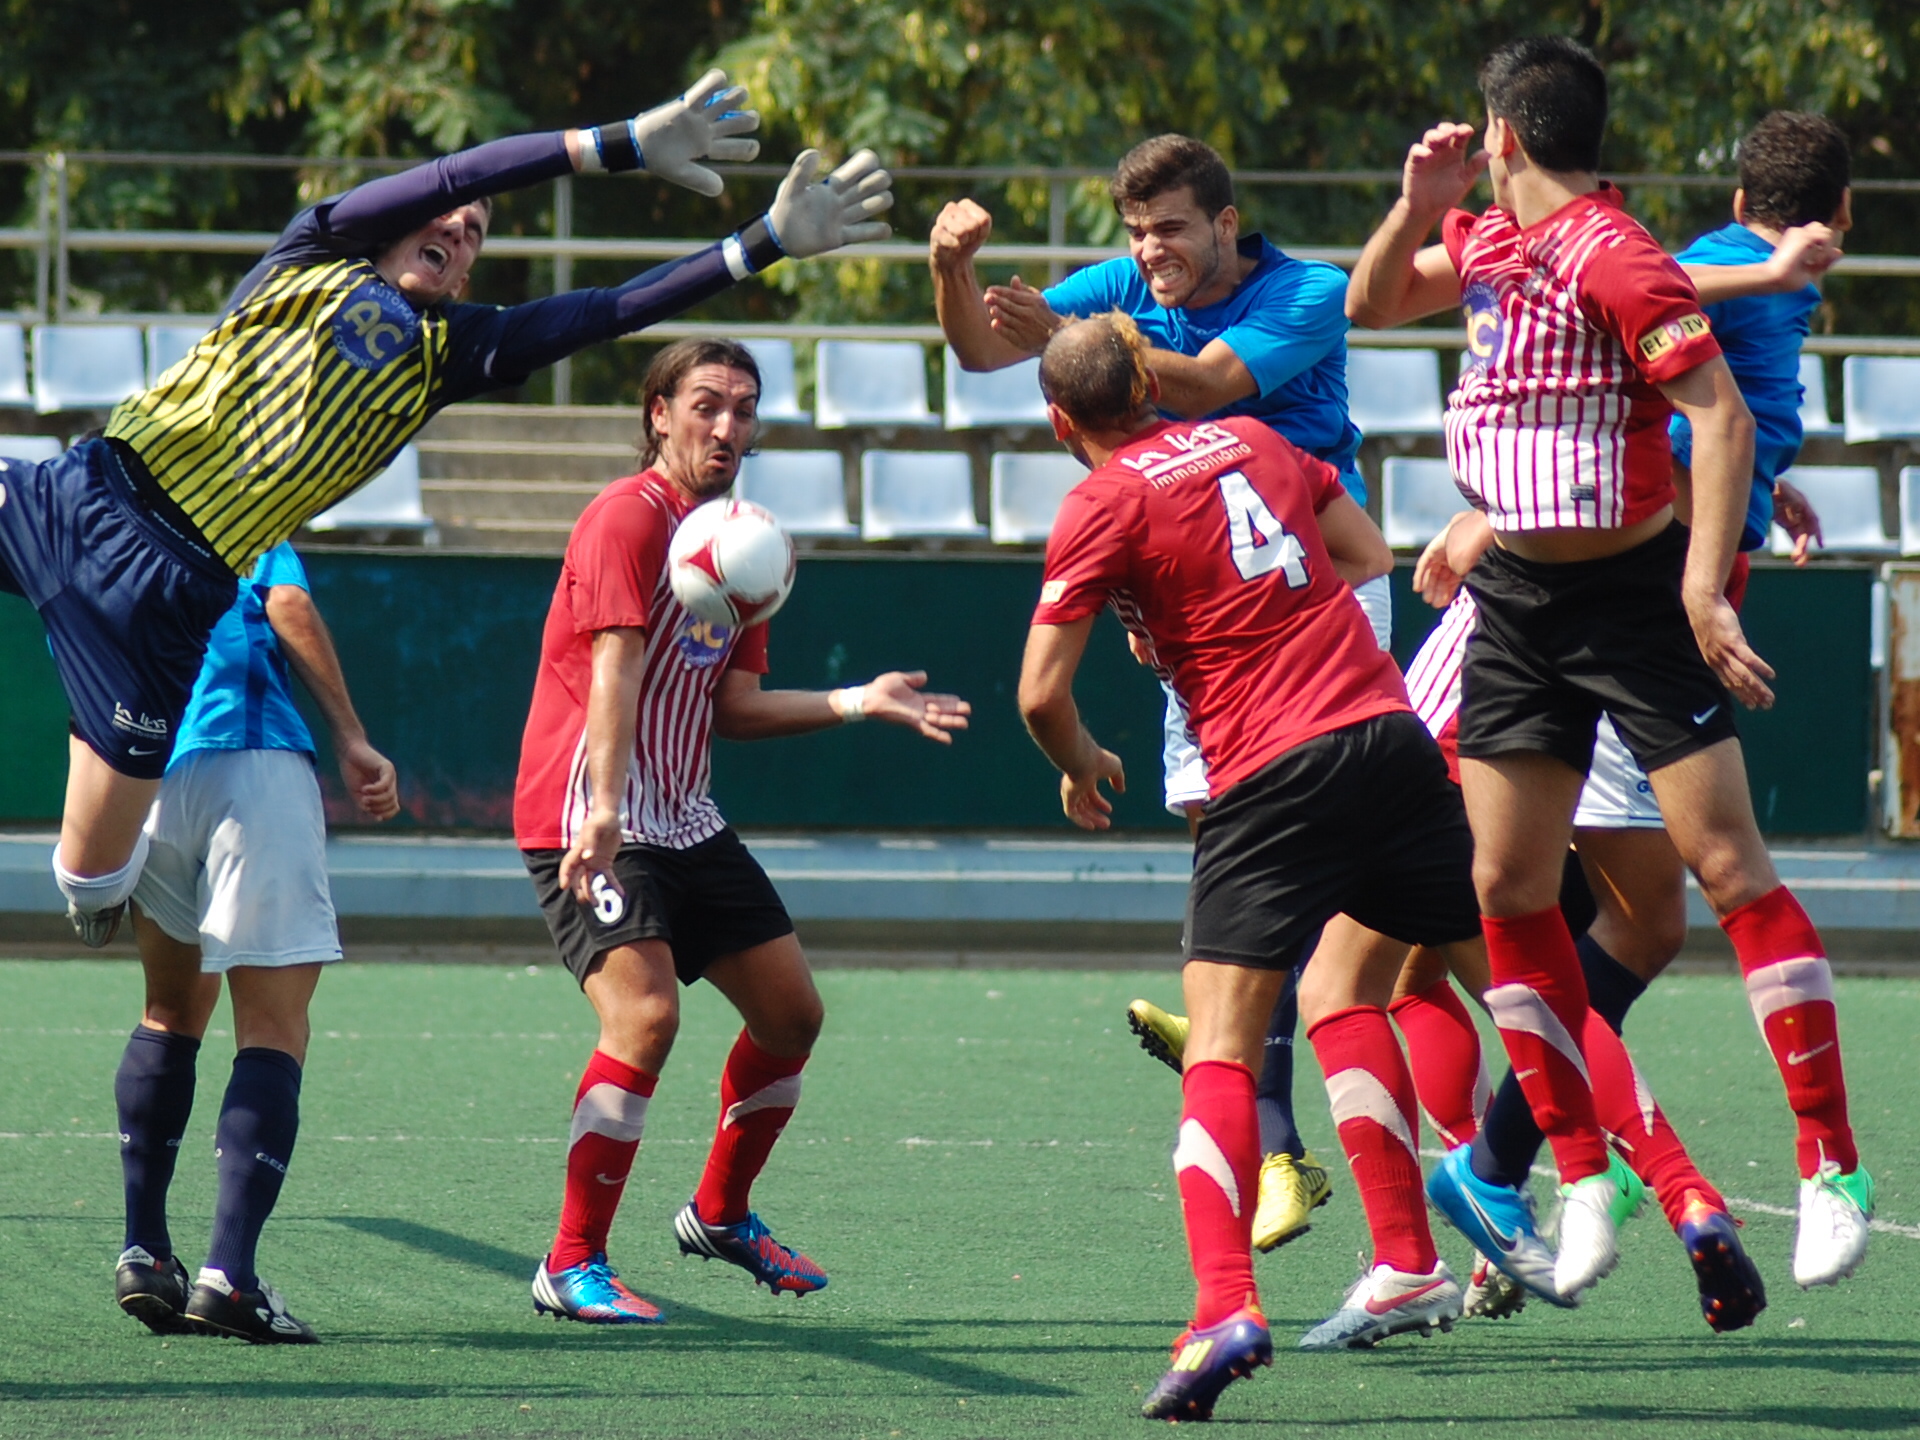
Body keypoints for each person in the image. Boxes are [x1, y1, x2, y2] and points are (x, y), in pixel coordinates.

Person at [0, 68, 893, 958]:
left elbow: (610, 310)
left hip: (161, 601)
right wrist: (616, 145)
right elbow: (463, 171)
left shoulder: (454, 354)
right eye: (448, 222)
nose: (458, 231)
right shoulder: (317, 248)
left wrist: (763, 241)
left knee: (89, 874)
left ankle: (101, 886)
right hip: (72, 493)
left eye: (473, 240)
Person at [1346, 35, 1873, 1295]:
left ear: (1507, 135)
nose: (1475, 148)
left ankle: (1830, 1168)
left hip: (1632, 605)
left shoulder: (1618, 252)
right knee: (1507, 889)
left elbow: (1720, 417)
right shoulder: (1484, 239)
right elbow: (1370, 302)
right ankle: (1577, 1176)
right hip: (1515, 604)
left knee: (1727, 867)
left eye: (1480, 133)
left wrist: (1700, 592)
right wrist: (1413, 208)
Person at [1017, 312, 1613, 1420]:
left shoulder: (1099, 500)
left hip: (1267, 776)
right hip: (1384, 740)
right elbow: (1365, 556)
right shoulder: (1255, 438)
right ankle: (1603, 1182)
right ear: (1151, 378)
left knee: (1223, 1052)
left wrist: (1085, 761)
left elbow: (1040, 694)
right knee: (1520, 977)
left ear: (1061, 421)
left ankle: (1225, 1309)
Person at [514, 339, 970, 1325]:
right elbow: (615, 671)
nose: (727, 426)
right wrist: (600, 806)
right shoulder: (625, 520)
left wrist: (860, 699)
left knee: (792, 1017)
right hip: (588, 816)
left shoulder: (745, 540)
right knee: (643, 1019)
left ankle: (720, 1214)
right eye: (707, 405)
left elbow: (740, 705)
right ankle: (571, 1260)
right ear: (659, 415)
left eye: (744, 410)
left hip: (685, 818)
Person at [1405, 511, 1765, 1332]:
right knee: (1637, 933)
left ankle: (1426, 1243)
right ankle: (1517, 1180)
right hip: (1640, 670)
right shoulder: (1740, 416)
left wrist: (1484, 517)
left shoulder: (1667, 404)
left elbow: (1611, 467)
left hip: (1505, 706)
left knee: (1383, 982)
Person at [929, 133, 1390, 643]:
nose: (1150, 251)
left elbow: (1205, 385)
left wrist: (1064, 337)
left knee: (1329, 726)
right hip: (1203, 590)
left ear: (1226, 225)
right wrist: (950, 268)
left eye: (1170, 228)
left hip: (1325, 573)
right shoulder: (1118, 285)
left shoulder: (1311, 289)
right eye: (1136, 231)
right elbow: (982, 352)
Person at [109, 541, 400, 1343]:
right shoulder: (239, 497)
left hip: (152, 773)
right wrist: (351, 736)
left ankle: (144, 1250)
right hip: (253, 759)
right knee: (272, 1029)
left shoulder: (107, 522)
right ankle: (227, 1277)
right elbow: (287, 603)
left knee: (169, 1013)